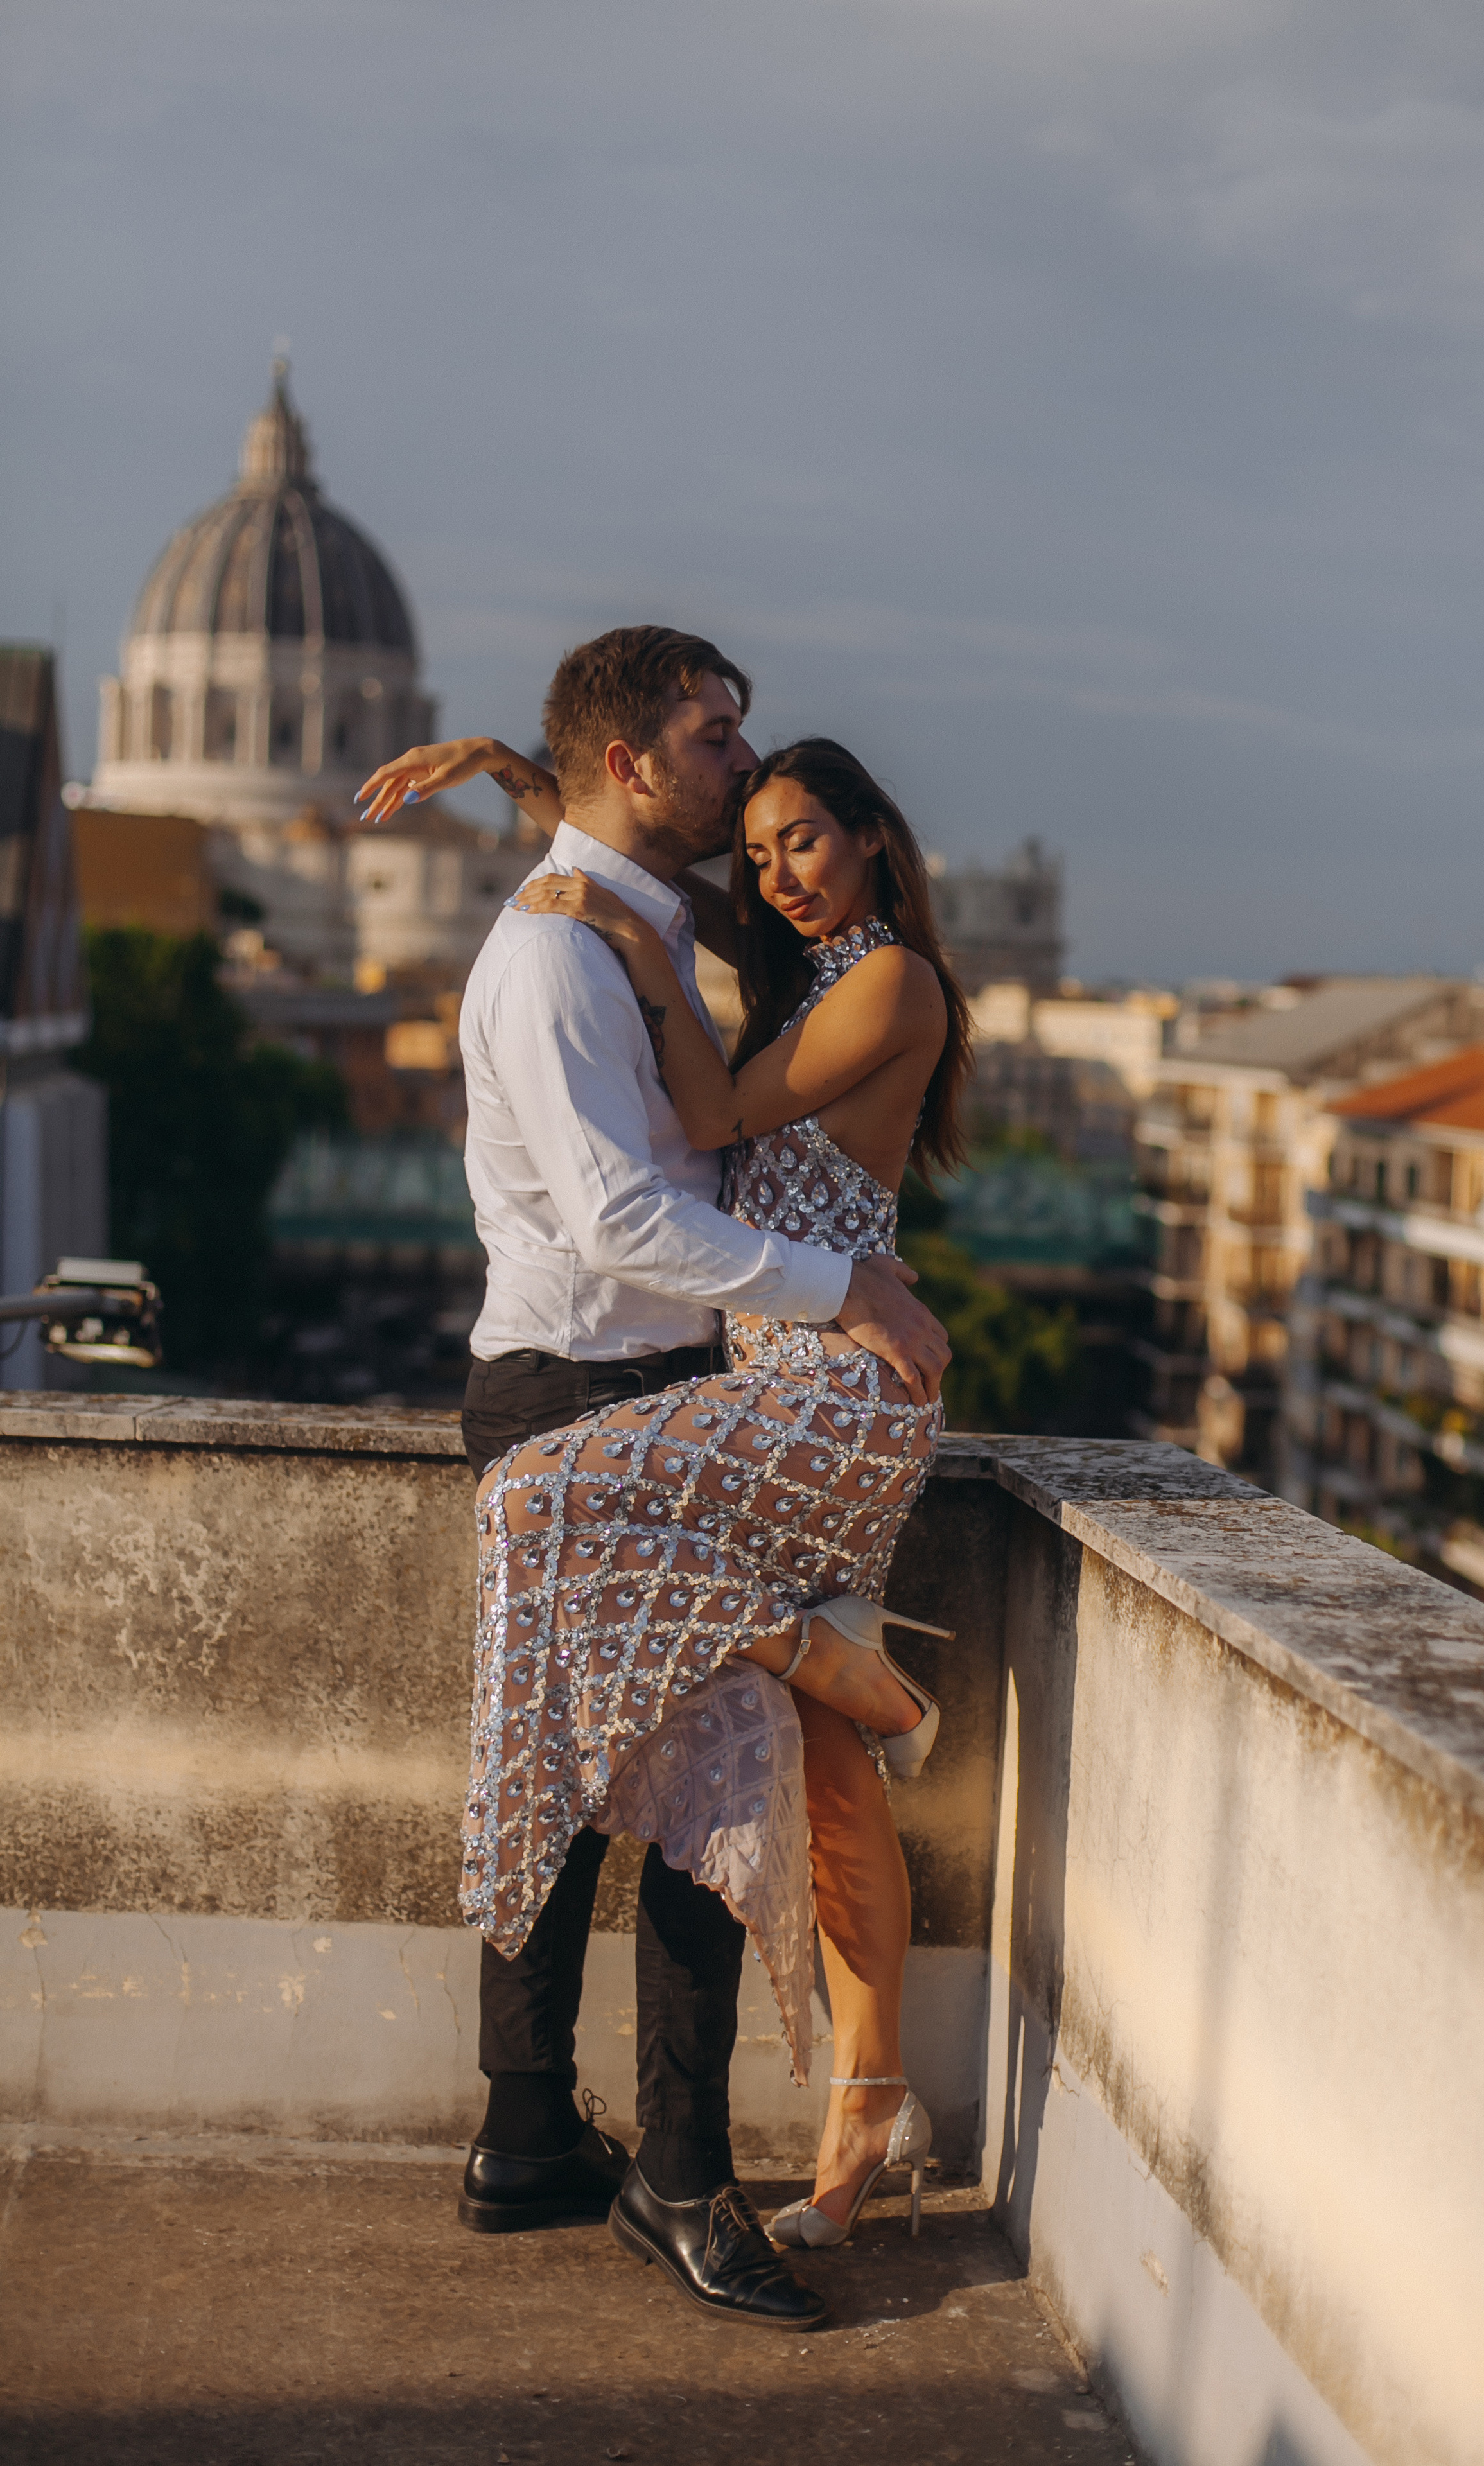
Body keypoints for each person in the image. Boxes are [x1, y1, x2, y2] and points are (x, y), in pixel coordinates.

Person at [356, 629, 954, 2329]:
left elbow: (627, 873)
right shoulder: (553, 963)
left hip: (639, 1385)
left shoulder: (633, 922)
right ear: (639, 762)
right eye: (712, 742)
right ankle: (678, 2179)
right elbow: (629, 1216)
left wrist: (503, 769)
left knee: (595, 1769)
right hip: (579, 1394)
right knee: (703, 1781)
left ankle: (532, 2134)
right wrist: (855, 1291)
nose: (736, 771)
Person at [511, 731, 974, 2250]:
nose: (774, 874)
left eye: (803, 842)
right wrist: (547, 805)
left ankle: (825, 1656)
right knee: (832, 1797)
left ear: (870, 839)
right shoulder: (814, 967)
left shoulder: (890, 984)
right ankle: (858, 2133)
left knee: (542, 1494)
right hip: (775, 1386)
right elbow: (684, 908)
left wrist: (614, 940)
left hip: (834, 1397)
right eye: (757, 850)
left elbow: (707, 1118)